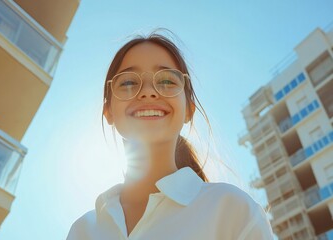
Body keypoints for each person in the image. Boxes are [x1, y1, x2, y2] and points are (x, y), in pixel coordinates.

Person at [67, 31, 274, 240]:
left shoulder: (232, 210)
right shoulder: (82, 230)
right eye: (128, 82)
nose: (148, 92)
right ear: (109, 111)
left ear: (188, 110)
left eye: (167, 81)